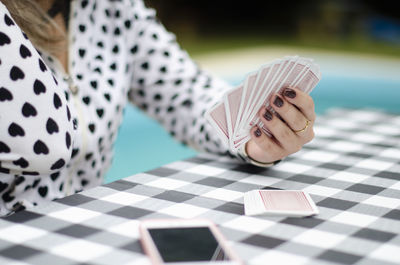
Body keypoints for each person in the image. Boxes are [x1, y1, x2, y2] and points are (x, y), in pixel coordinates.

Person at [0, 0, 316, 216]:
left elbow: (185, 93)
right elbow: (44, 145)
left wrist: (250, 134)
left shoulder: (110, 7)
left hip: (89, 234)